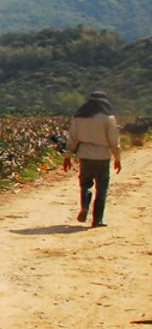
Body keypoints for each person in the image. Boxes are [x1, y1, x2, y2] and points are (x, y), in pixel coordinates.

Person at [64, 90, 121, 227]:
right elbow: (114, 141)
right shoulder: (108, 119)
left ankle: (84, 206)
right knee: (102, 189)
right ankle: (97, 220)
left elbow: (72, 139)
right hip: (102, 156)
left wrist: (67, 156)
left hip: (85, 155)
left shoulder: (78, 118)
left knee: (85, 184)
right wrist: (117, 158)